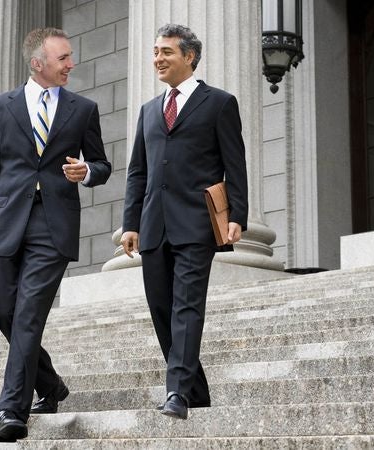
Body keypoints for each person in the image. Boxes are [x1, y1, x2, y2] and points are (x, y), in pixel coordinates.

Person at [0, 27, 110, 442]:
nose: (71, 64)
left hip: (54, 224)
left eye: (71, 56)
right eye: (63, 58)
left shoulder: (83, 109)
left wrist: (88, 172)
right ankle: (50, 383)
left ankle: (11, 409)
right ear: (37, 63)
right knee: (3, 311)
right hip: (5, 222)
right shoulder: (0, 107)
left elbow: (101, 164)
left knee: (28, 314)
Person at [120, 23, 248, 420]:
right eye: (155, 52)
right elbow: (137, 172)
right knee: (161, 309)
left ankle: (176, 391)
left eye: (166, 52)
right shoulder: (147, 111)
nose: (157, 58)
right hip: (154, 225)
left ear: (189, 56)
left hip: (196, 224)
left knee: (187, 307)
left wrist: (237, 216)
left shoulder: (219, 103)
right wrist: (131, 223)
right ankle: (197, 390)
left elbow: (234, 164)